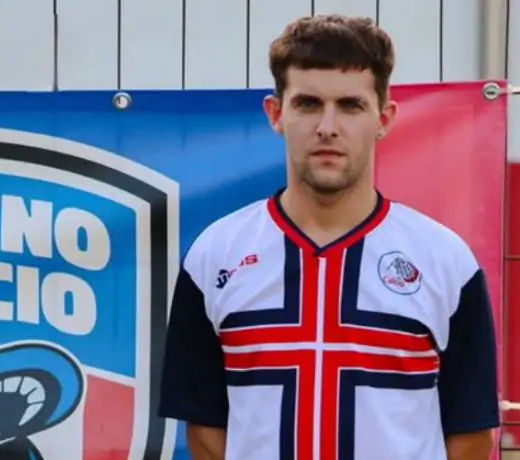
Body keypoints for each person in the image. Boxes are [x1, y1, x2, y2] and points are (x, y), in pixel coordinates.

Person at [157, 14, 500, 460]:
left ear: (384, 118)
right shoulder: (214, 256)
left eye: (351, 106)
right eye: (308, 104)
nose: (327, 127)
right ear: (276, 114)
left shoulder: (446, 261)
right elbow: (204, 431)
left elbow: (472, 435)